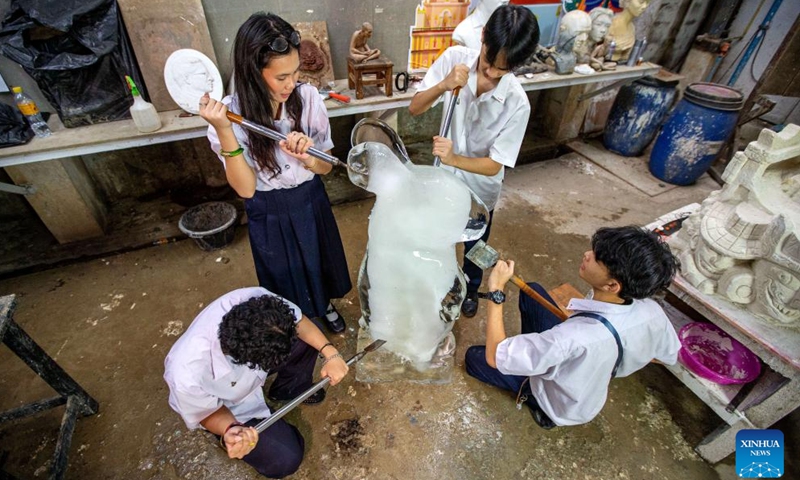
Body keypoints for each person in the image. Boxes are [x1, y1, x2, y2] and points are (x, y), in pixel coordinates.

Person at [199, 12, 351, 333]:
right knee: (284, 273)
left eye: (295, 72)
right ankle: (296, 321)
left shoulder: (308, 99)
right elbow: (246, 190)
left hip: (309, 199)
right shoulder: (232, 114)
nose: (290, 84)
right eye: (281, 77)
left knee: (317, 260)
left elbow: (325, 166)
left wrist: (309, 156)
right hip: (267, 209)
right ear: (254, 72)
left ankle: (323, 305)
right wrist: (225, 130)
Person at [464, 226, 681, 429]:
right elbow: (669, 354)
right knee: (533, 291)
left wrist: (496, 290)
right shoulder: (652, 312)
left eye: (597, 259)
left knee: (474, 358)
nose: (587, 254)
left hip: (558, 403)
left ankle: (542, 411)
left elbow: (494, 357)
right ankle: (532, 355)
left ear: (612, 285)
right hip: (580, 360)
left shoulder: (571, 339)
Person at [408, 5, 540, 318]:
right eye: (489, 62)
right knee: (438, 237)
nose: (492, 73)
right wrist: (443, 84)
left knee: (474, 246)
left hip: (480, 189)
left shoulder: (517, 103)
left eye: (502, 70)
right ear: (482, 37)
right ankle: (438, 282)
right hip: (443, 183)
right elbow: (414, 107)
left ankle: (469, 286)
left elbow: (495, 165)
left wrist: (455, 157)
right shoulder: (455, 59)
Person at [164, 287, 349, 478]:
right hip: (228, 408)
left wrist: (330, 353)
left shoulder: (255, 301)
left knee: (310, 336)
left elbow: (298, 321)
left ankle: (289, 388)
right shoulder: (186, 374)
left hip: (255, 360)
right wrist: (230, 430)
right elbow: (206, 413)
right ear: (247, 360)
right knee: (286, 459)